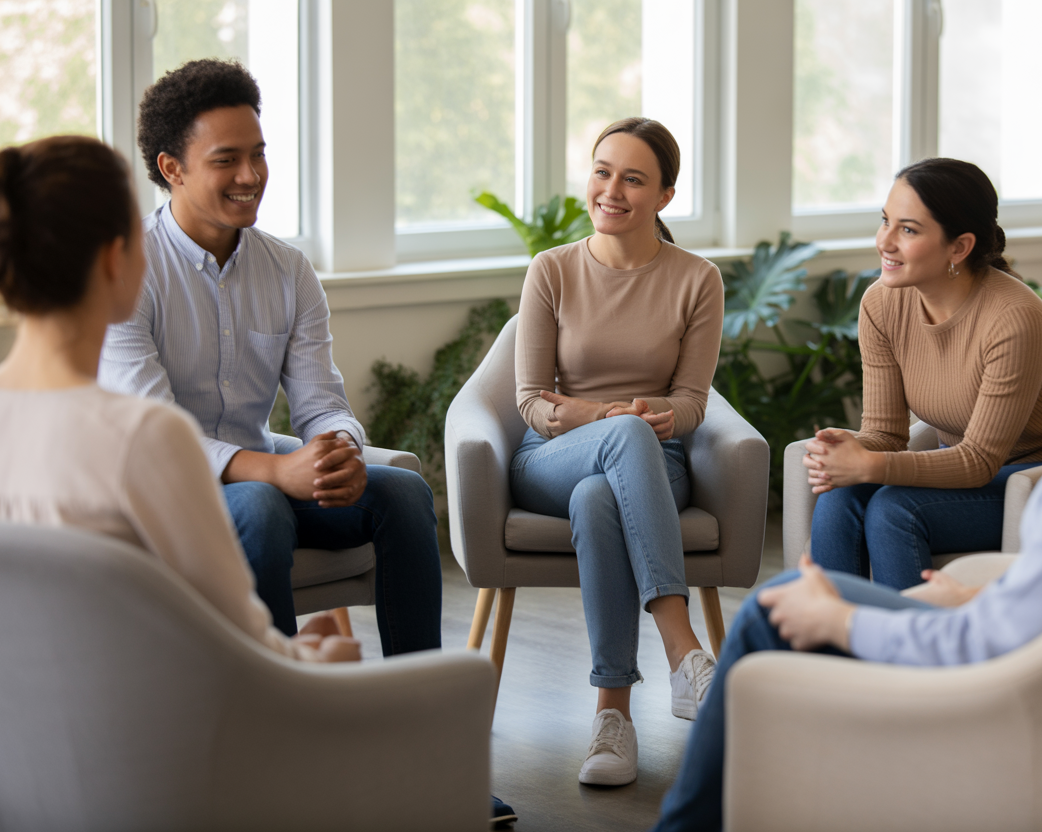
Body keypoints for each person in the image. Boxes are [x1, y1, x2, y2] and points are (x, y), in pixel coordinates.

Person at [651, 159, 1042, 831]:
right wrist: (998, 579)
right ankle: (841, 689)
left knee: (778, 600)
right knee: (851, 497)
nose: (885, 240)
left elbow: (996, 631)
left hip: (1009, 671)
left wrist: (844, 620)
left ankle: (874, 697)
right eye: (886, 222)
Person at [99, 59, 441, 656]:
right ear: (171, 169)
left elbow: (321, 401)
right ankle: (279, 714)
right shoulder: (131, 273)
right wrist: (277, 472)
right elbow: (158, 438)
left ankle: (417, 703)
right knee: (261, 503)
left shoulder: (288, 271)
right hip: (163, 494)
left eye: (258, 154)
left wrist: (341, 450)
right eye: (226, 159)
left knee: (404, 494)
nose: (251, 175)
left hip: (259, 476)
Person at [0, 134, 357, 664]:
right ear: (114, 259)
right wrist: (319, 660)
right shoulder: (146, 436)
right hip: (155, 727)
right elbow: (245, 654)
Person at [511, 117, 725, 786]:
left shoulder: (697, 280)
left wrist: (652, 416)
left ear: (664, 195)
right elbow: (530, 400)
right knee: (613, 447)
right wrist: (607, 417)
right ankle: (684, 649)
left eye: (633, 178)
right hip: (551, 455)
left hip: (651, 465)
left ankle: (613, 716)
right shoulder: (553, 270)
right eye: (602, 171)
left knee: (599, 496)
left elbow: (692, 401)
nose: (611, 189)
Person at [803, 158, 1042, 590]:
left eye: (908, 230)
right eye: (885, 221)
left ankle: (909, 649)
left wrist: (870, 463)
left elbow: (978, 460)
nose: (885, 241)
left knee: (893, 510)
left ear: (959, 248)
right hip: (968, 474)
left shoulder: (1013, 318)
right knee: (839, 491)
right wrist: (849, 451)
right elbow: (885, 433)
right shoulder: (881, 304)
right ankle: (833, 645)